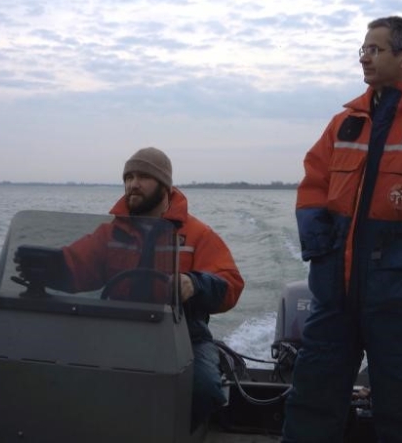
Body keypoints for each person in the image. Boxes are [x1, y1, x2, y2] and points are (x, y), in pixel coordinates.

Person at [281, 16, 402, 443]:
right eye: (363, 49)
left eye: (376, 49)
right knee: (312, 393)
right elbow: (314, 182)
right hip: (335, 289)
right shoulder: (344, 122)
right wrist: (317, 241)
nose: (364, 57)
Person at [17, 147, 245, 429]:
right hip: (119, 329)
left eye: (143, 177)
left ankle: (176, 434)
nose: (133, 184)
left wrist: (195, 283)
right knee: (66, 374)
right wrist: (47, 270)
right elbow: (79, 264)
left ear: (164, 185)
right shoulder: (111, 233)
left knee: (203, 389)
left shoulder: (198, 234)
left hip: (185, 335)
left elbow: (230, 283)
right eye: (129, 177)